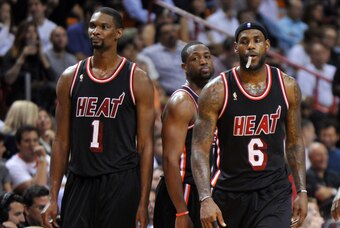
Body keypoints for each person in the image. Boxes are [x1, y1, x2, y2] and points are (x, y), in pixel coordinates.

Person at [41, 7, 155, 228]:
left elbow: (145, 145)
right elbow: (61, 141)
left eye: (104, 27)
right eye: (93, 26)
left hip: (120, 180)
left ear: (119, 33)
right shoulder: (70, 77)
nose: (96, 31)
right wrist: (53, 197)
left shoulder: (137, 79)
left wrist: (142, 201)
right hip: (80, 178)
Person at [191, 22, 308, 228]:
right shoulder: (216, 91)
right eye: (244, 42)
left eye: (257, 41)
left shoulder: (287, 86)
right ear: (236, 48)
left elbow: (295, 142)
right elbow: (200, 150)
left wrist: (302, 191)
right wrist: (205, 198)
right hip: (230, 191)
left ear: (267, 45)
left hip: (273, 191)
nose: (251, 46)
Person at [153, 41, 215, 228]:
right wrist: (181, 211)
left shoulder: (213, 98)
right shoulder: (182, 102)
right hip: (183, 190)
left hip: (205, 190)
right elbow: (170, 160)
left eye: (206, 56)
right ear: (184, 67)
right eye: (195, 59)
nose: (203, 61)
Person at [5, 125, 49, 195]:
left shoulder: (48, 158)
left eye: (35, 140)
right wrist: (42, 161)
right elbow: (37, 191)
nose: (32, 144)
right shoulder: (12, 165)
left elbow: (63, 184)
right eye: (27, 141)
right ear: (18, 145)